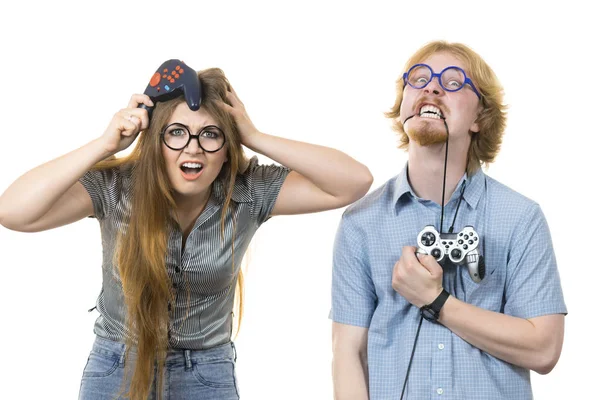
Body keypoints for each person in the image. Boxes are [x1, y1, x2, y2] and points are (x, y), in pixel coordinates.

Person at [0, 67, 373, 400]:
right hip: (115, 366)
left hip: (207, 373)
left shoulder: (248, 192)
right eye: (176, 133)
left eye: (211, 135)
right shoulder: (116, 188)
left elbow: (353, 182)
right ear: (156, 142)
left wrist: (254, 136)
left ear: (227, 149)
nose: (192, 149)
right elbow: (13, 211)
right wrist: (104, 145)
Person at [330, 41, 566, 400]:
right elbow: (348, 353)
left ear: (479, 119)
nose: (432, 87)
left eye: (453, 82)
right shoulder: (360, 222)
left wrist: (436, 300)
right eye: (419, 78)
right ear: (404, 105)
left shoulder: (520, 218)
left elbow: (544, 349)